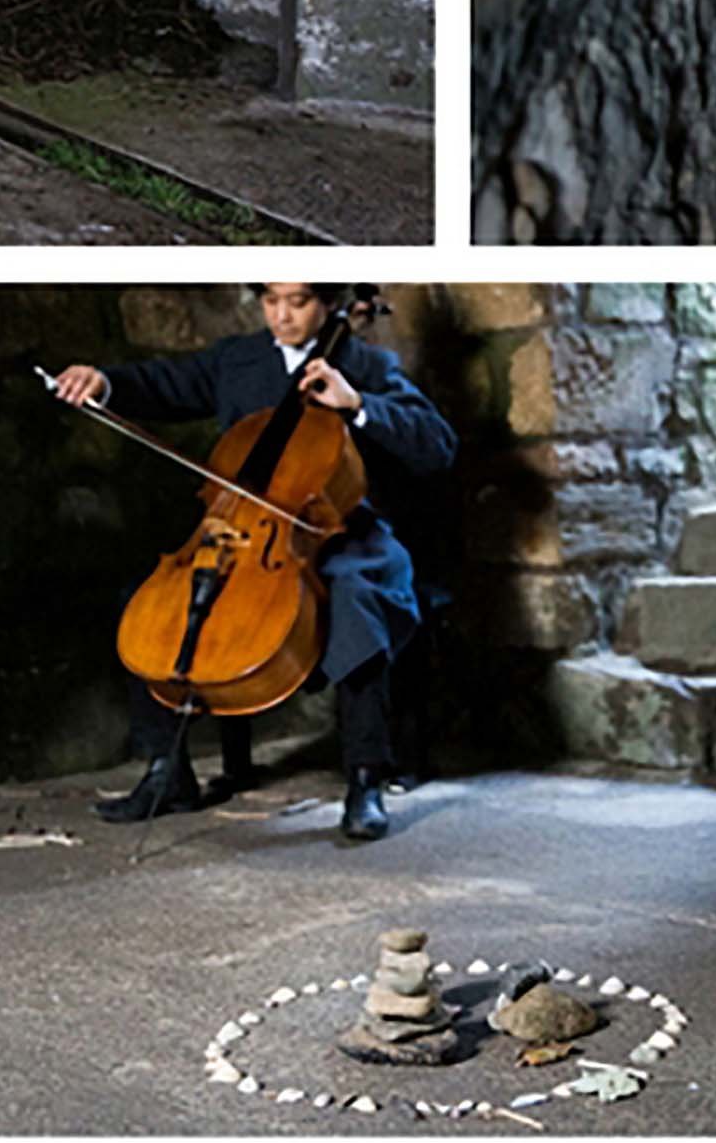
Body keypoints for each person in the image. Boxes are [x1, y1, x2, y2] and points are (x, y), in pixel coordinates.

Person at [50, 284, 457, 843]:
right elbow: (165, 384)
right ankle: (167, 773)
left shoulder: (366, 364)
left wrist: (359, 405)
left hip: (341, 534)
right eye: (270, 299)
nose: (281, 315)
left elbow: (437, 444)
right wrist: (106, 382)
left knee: (358, 600)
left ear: (329, 304)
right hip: (237, 534)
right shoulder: (237, 359)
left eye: (297, 301)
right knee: (144, 604)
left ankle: (365, 776)